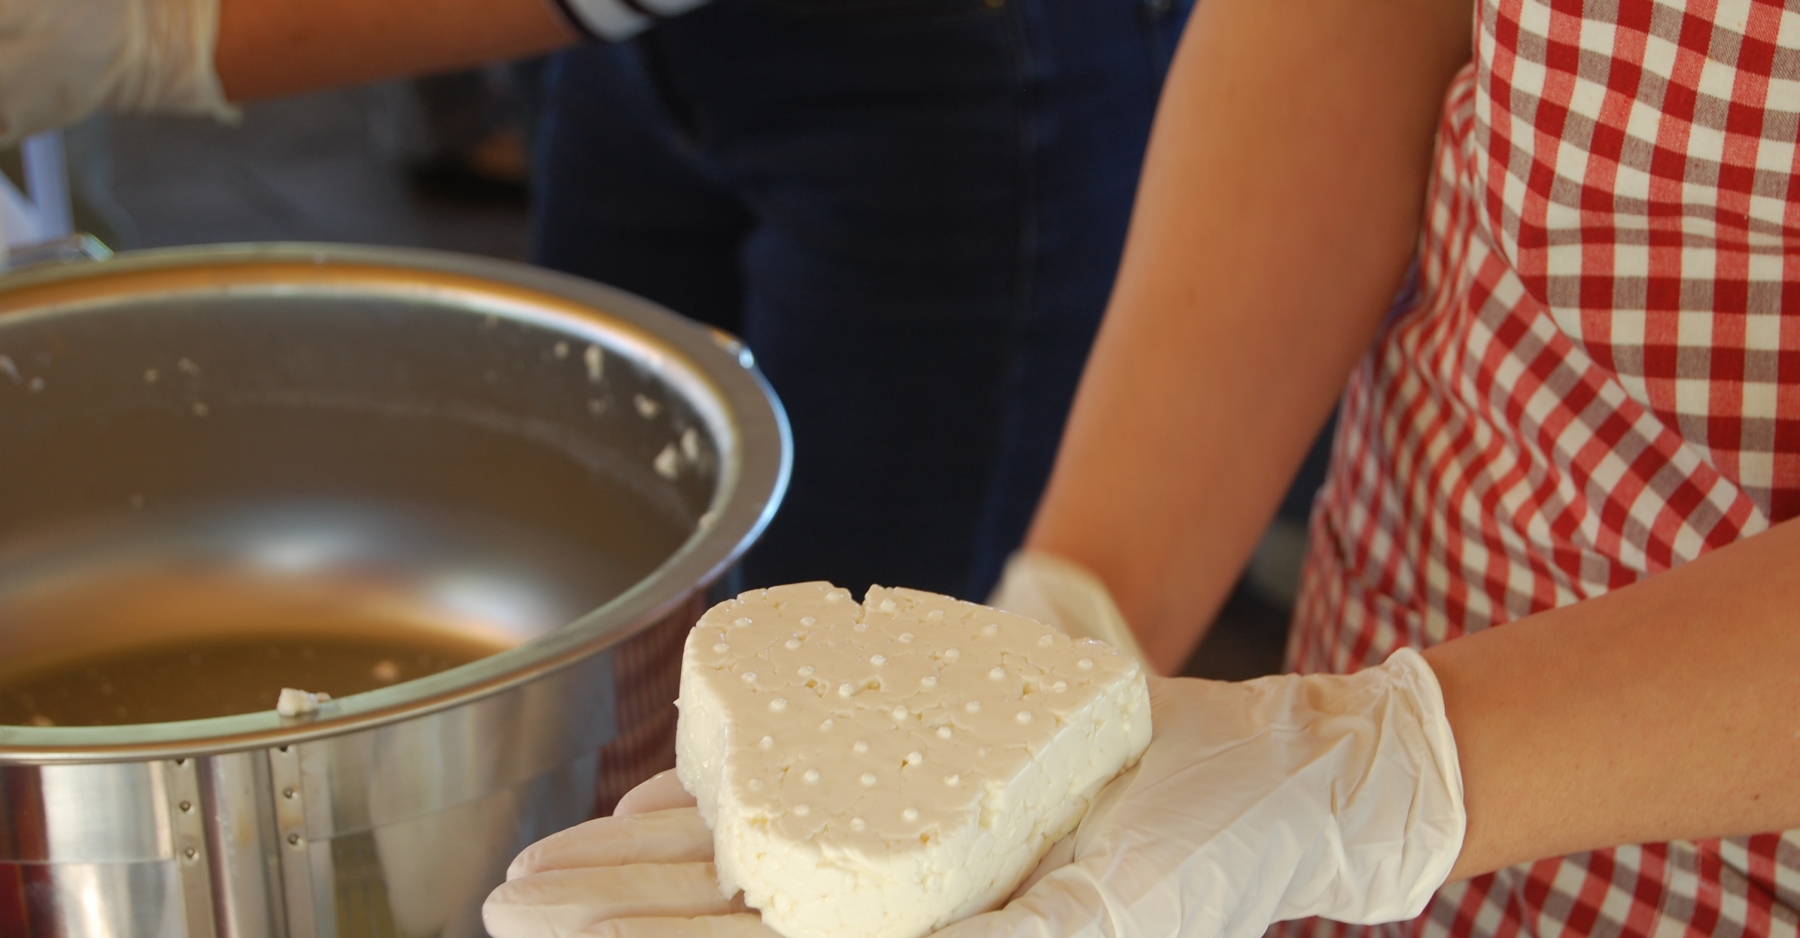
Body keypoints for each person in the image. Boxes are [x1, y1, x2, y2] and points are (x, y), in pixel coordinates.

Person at [484, 0, 1800, 938]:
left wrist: (1386, 768)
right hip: (1433, 587)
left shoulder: (1353, 777)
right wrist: (1076, 631)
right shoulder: (1316, 770)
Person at [0, 0, 1193, 601]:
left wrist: (162, 34)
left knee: (877, 653)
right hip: (624, 51)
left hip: (957, 62)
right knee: (606, 550)